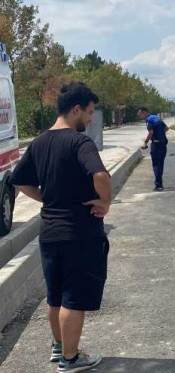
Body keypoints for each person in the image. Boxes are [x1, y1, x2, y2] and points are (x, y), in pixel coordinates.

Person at [12, 82, 110, 372]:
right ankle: (70, 358)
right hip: (77, 232)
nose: (90, 119)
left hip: (50, 231)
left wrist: (47, 198)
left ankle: (58, 348)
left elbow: (19, 180)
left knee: (55, 295)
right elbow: (101, 175)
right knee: (73, 297)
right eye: (89, 113)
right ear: (76, 109)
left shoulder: (39, 142)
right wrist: (105, 202)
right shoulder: (80, 143)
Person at [137, 107, 168, 191]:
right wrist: (160, 134)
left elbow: (151, 132)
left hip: (156, 145)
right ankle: (159, 183)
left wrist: (145, 143)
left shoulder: (149, 120)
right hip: (163, 144)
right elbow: (166, 128)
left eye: (140, 114)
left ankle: (158, 185)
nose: (139, 115)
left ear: (144, 112)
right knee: (160, 164)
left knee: (156, 165)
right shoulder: (157, 118)